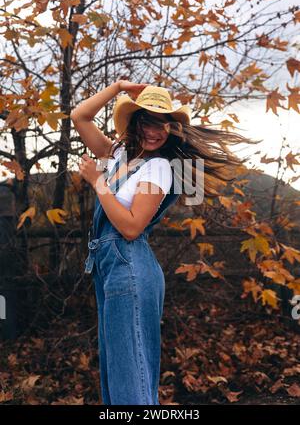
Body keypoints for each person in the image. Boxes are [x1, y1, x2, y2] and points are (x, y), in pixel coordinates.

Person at [71, 81, 256, 405]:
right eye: (148, 122)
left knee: (132, 376)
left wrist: (98, 181)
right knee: (117, 374)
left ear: (171, 129)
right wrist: (118, 88)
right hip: (109, 268)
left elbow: (130, 228)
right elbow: (79, 117)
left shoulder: (159, 168)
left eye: (164, 124)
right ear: (135, 122)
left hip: (129, 267)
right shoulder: (119, 155)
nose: (156, 132)